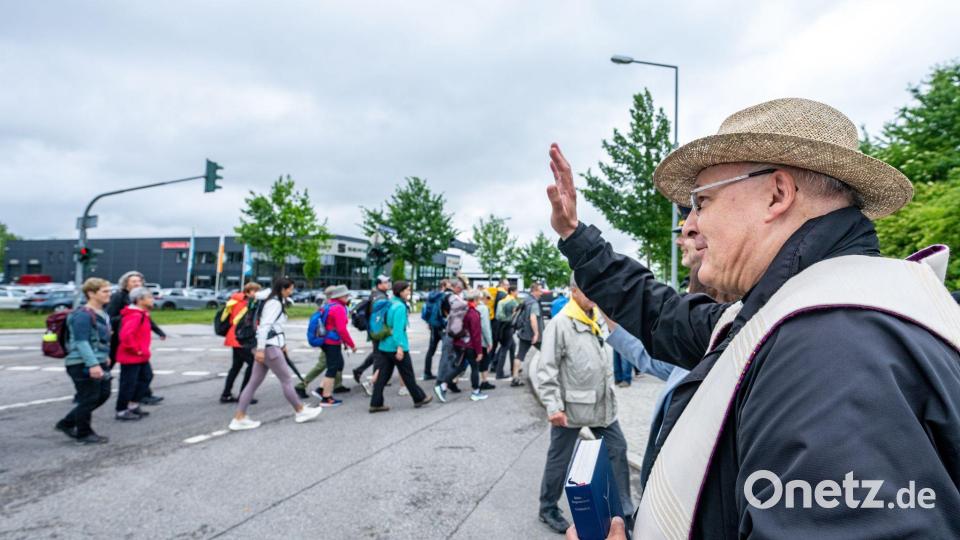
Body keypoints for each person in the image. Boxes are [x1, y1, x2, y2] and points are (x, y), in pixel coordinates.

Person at [547, 98, 960, 538]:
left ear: (777, 195)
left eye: (702, 201)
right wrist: (577, 238)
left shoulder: (829, 353)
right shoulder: (794, 314)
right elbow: (661, 313)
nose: (690, 224)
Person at [535, 276, 632, 534]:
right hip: (571, 409)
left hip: (602, 406)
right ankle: (547, 508)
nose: (592, 294)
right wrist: (553, 406)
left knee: (617, 449)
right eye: (586, 289)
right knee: (560, 457)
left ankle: (624, 510)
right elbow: (546, 369)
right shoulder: (560, 324)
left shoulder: (595, 318)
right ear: (573, 291)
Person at [229, 278, 322, 431]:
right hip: (269, 347)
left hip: (267, 346)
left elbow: (274, 327)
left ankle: (239, 417)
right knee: (286, 380)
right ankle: (300, 411)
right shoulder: (274, 303)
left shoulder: (271, 300)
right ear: (283, 289)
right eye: (290, 289)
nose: (291, 292)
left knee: (253, 383)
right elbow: (265, 326)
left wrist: (280, 345)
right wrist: (260, 349)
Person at [55, 278, 113, 444]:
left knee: (103, 394)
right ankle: (84, 433)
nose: (109, 294)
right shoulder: (82, 315)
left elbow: (99, 339)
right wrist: (93, 364)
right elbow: (81, 342)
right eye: (105, 291)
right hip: (82, 363)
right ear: (91, 293)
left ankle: (67, 423)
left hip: (97, 360)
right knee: (90, 398)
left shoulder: (102, 313)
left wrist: (104, 356)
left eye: (109, 291)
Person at [369, 281, 433, 412]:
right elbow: (398, 329)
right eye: (407, 290)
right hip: (396, 346)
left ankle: (376, 403)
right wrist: (400, 347)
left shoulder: (389, 302)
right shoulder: (399, 307)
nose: (409, 292)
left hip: (384, 345)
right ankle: (419, 398)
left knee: (382, 377)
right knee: (408, 374)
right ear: (401, 291)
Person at [106, 270, 166, 405]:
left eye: (139, 281)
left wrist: (158, 331)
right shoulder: (119, 297)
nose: (137, 283)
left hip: (133, 340)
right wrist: (128, 317)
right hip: (118, 338)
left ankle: (142, 395)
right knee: (110, 367)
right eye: (134, 281)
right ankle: (88, 391)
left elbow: (146, 319)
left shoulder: (140, 299)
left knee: (143, 373)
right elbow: (109, 317)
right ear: (126, 283)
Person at [435, 289, 488, 403]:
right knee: (474, 367)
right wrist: (479, 351)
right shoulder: (473, 313)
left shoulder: (462, 310)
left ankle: (443, 385)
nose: (480, 301)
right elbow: (476, 335)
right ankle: (475, 392)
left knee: (459, 367)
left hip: (459, 343)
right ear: (476, 299)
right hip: (469, 345)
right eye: (479, 299)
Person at [114, 287, 156, 421]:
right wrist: (136, 349)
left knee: (146, 377)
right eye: (149, 297)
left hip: (141, 355)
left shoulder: (142, 314)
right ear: (139, 300)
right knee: (129, 383)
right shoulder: (135, 315)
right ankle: (121, 410)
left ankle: (133, 404)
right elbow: (126, 335)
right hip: (132, 356)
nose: (152, 300)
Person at [297, 288, 343, 399]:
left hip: (329, 339)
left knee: (338, 363)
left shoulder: (327, 305)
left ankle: (337, 384)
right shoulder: (330, 306)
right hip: (328, 341)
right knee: (323, 364)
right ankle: (302, 385)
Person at [220, 282, 261, 403]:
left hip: (234, 336)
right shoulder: (245, 304)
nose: (257, 293)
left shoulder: (235, 301)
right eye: (254, 291)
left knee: (236, 366)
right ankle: (244, 395)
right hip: (241, 337)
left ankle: (226, 394)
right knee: (252, 364)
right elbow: (248, 321)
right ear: (248, 292)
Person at [316, 284, 356, 407]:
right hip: (332, 341)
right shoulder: (338, 308)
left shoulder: (329, 305)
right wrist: (351, 344)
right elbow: (341, 329)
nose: (348, 297)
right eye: (346, 295)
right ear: (341, 296)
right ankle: (326, 398)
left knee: (335, 364)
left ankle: (321, 389)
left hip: (325, 340)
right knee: (332, 368)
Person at [352, 275, 391, 386]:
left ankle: (360, 371)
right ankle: (377, 379)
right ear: (379, 284)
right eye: (385, 282)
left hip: (373, 328)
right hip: (377, 329)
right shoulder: (380, 297)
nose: (387, 284)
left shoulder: (376, 294)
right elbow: (380, 315)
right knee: (379, 355)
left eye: (388, 282)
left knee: (377, 353)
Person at [433, 278, 466, 397]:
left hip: (444, 328)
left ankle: (448, 381)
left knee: (452, 356)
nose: (461, 290)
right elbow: (459, 308)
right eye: (460, 288)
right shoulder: (450, 297)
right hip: (450, 330)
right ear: (455, 287)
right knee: (449, 356)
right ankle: (441, 382)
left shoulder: (443, 295)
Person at [493, 286, 524, 386]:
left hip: (501, 326)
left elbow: (498, 315)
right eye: (516, 291)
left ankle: (512, 369)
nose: (517, 293)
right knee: (504, 348)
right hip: (508, 327)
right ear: (512, 292)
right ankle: (499, 372)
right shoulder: (512, 302)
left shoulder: (502, 301)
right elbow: (515, 315)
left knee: (512, 347)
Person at [421, 279, 449, 380]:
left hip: (433, 325)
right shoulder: (444, 296)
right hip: (442, 325)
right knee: (446, 349)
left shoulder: (432, 295)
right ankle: (443, 374)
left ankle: (427, 372)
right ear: (444, 286)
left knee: (431, 350)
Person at [516, 282, 544, 365]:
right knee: (546, 352)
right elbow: (533, 318)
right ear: (535, 291)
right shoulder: (534, 303)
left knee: (520, 355)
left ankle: (515, 376)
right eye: (540, 291)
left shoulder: (525, 300)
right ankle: (544, 371)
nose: (541, 293)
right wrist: (536, 334)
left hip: (524, 333)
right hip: (532, 335)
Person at [475, 289, 496, 391]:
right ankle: (484, 381)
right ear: (484, 298)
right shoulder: (483, 308)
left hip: (471, 339)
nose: (489, 301)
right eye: (488, 299)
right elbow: (485, 326)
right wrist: (489, 342)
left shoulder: (473, 306)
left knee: (465, 362)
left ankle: (454, 380)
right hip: (481, 339)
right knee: (485, 360)